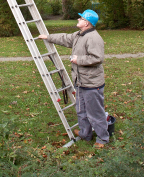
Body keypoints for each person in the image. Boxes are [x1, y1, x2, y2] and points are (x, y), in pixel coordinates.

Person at [38, 9, 109, 148]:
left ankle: (103, 139)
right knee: (81, 110)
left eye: (81, 18)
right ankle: (85, 134)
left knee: (95, 113)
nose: (78, 20)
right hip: (80, 81)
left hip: (92, 83)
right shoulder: (79, 35)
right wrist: (48, 37)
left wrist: (78, 59)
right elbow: (65, 38)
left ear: (87, 23)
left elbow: (97, 58)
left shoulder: (94, 38)